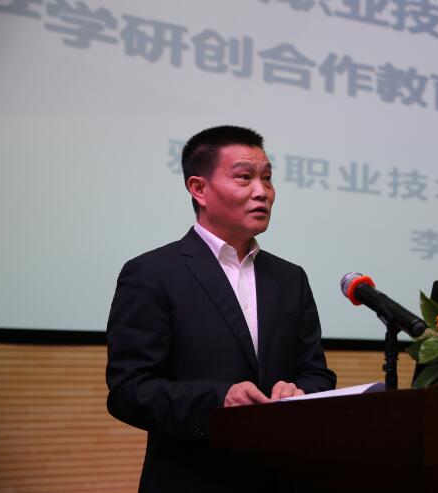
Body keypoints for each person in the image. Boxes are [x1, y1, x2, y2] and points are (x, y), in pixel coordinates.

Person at [105, 125, 336, 492]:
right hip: (193, 479)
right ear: (199, 189)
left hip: (282, 476)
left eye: (267, 178)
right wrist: (218, 400)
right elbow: (129, 392)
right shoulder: (152, 273)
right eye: (245, 177)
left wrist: (300, 392)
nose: (262, 191)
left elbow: (317, 373)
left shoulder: (289, 278)